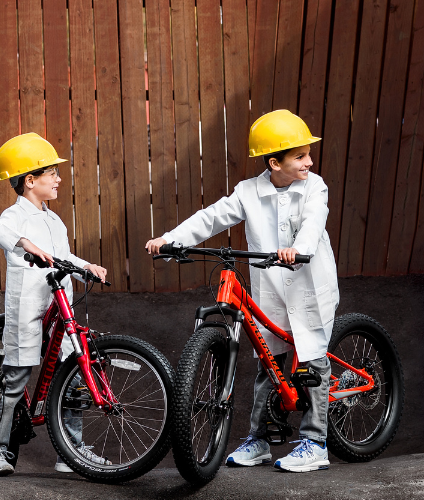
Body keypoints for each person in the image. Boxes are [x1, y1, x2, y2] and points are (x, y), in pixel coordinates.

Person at [144, 109, 340, 473]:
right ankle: (260, 438)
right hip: (272, 289)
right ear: (273, 162)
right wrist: (170, 240)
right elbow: (211, 216)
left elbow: (315, 219)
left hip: (310, 287)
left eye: (308, 153)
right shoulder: (249, 192)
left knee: (312, 357)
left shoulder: (314, 186)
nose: (309, 162)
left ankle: (315, 442)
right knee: (269, 359)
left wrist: (299, 246)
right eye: (300, 156)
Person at [0, 133, 112, 476]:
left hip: (59, 308)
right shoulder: (14, 216)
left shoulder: (54, 219)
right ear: (30, 180)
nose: (58, 179)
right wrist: (22, 242)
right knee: (16, 379)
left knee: (76, 373)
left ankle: (71, 451)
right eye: (52, 173)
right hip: (28, 307)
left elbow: (63, 258)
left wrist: (86, 268)